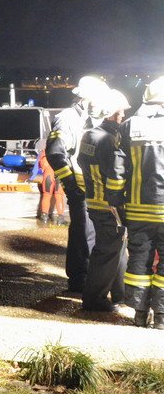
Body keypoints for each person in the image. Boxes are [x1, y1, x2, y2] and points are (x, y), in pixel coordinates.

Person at [46, 75, 109, 292]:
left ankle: (85, 277)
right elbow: (55, 152)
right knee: (83, 233)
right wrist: (71, 184)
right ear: (86, 98)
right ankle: (80, 279)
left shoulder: (94, 119)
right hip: (80, 188)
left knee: (89, 232)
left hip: (95, 188)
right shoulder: (67, 118)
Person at [76, 89, 130, 312]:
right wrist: (119, 206)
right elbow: (116, 175)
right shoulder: (110, 140)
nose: (122, 117)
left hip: (94, 201)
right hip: (109, 206)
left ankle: (120, 294)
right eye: (120, 113)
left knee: (115, 249)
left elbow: (81, 164)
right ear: (110, 113)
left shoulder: (89, 135)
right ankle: (95, 300)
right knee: (107, 252)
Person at [119, 76, 164, 329]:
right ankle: (161, 318)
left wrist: (116, 198)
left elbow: (118, 167)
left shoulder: (129, 125)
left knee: (139, 260)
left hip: (137, 207)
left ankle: (138, 314)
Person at [33, 141, 66, 223]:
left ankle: (44, 216)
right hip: (59, 172)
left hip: (48, 173)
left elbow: (37, 166)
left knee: (46, 195)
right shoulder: (62, 151)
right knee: (59, 195)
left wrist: (32, 177)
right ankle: (60, 218)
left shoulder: (43, 152)